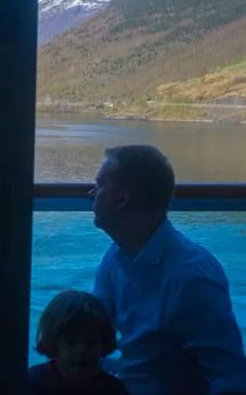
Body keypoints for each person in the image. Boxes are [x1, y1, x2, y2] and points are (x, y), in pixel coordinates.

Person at [90, 145, 246, 395]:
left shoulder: (192, 280)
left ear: (122, 199)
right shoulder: (117, 254)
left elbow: (229, 378)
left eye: (99, 186)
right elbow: (92, 328)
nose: (91, 193)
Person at [29, 290, 129, 395]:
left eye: (91, 342)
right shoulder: (35, 382)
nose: (82, 351)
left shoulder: (113, 390)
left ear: (103, 344)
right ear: (53, 342)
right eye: (71, 342)